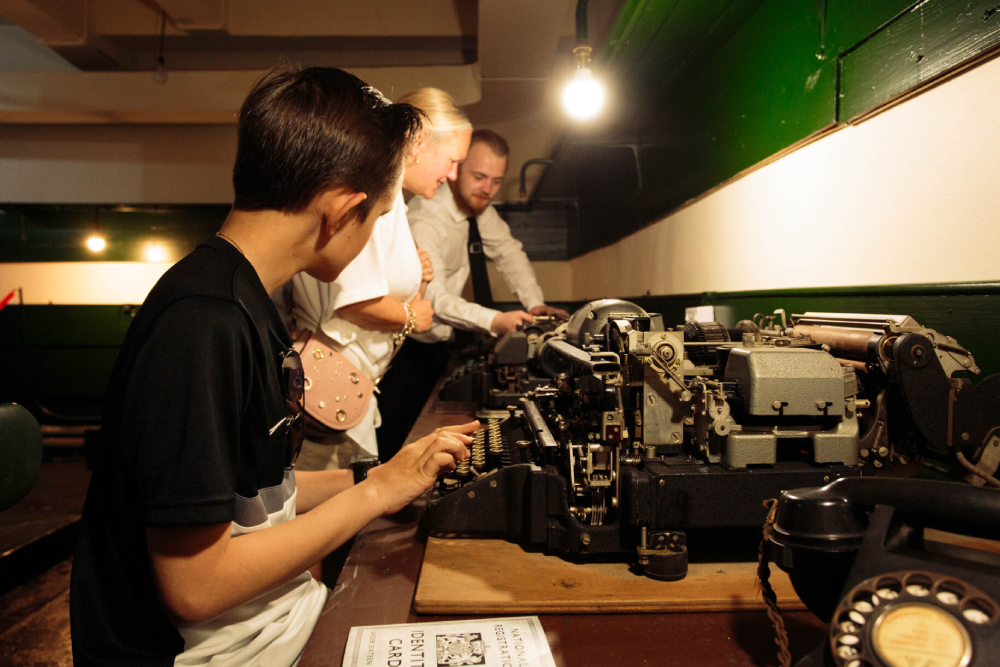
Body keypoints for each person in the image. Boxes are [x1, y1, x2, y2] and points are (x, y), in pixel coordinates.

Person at [69, 66, 475, 667]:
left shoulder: (244, 300)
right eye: (377, 217)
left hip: (272, 623)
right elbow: (195, 586)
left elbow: (250, 498)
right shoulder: (203, 325)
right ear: (340, 212)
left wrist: (377, 477)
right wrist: (376, 495)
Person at [284, 88, 472, 471]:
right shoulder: (378, 194)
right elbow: (354, 301)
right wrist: (412, 318)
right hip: (328, 384)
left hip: (354, 384)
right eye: (452, 161)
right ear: (421, 143)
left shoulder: (395, 202)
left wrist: (418, 275)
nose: (452, 175)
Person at [375, 129, 569, 459]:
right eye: (479, 176)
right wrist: (495, 320)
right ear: (457, 169)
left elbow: (510, 253)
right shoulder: (426, 217)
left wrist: (533, 302)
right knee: (393, 441)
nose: (488, 189)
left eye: (496, 180)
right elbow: (432, 297)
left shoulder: (479, 210)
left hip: (444, 344)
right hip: (409, 349)